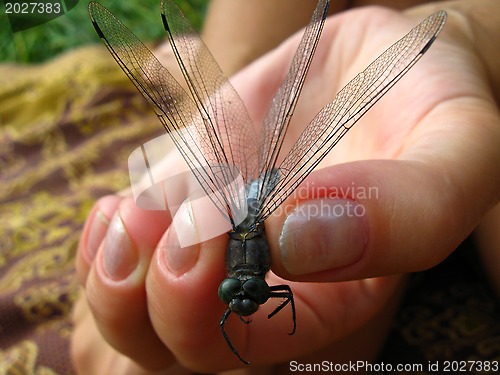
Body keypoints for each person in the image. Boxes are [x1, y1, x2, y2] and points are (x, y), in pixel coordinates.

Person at [72, 0, 500, 373]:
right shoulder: (252, 279)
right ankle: (225, 71)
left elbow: (284, 298)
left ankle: (224, 66)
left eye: (238, 294)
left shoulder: (250, 257)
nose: (243, 301)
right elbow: (282, 298)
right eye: (249, 294)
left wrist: (467, 31)